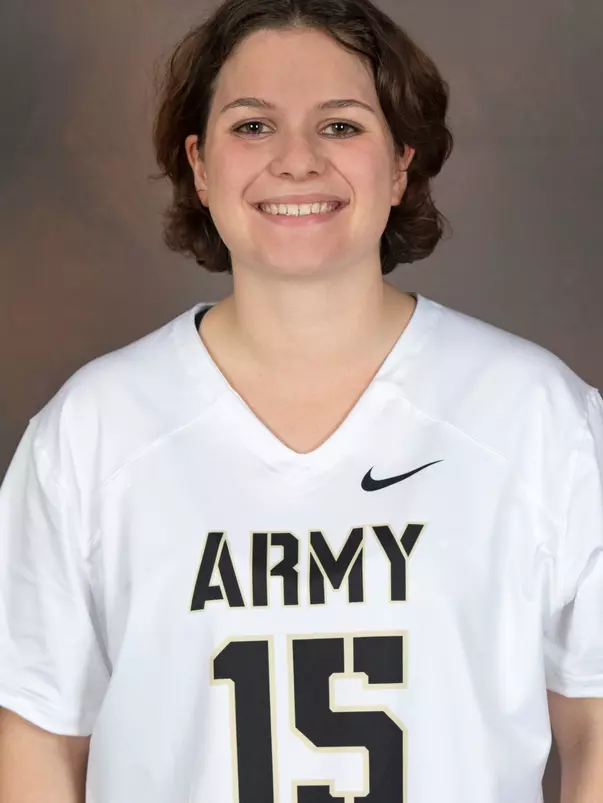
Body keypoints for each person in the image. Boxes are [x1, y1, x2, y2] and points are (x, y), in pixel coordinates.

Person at [1, 0, 602, 801]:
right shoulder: (94, 430)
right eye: (252, 125)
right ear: (200, 163)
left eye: (341, 126)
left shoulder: (534, 415)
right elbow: (39, 736)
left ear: (399, 165)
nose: (295, 160)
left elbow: (593, 729)